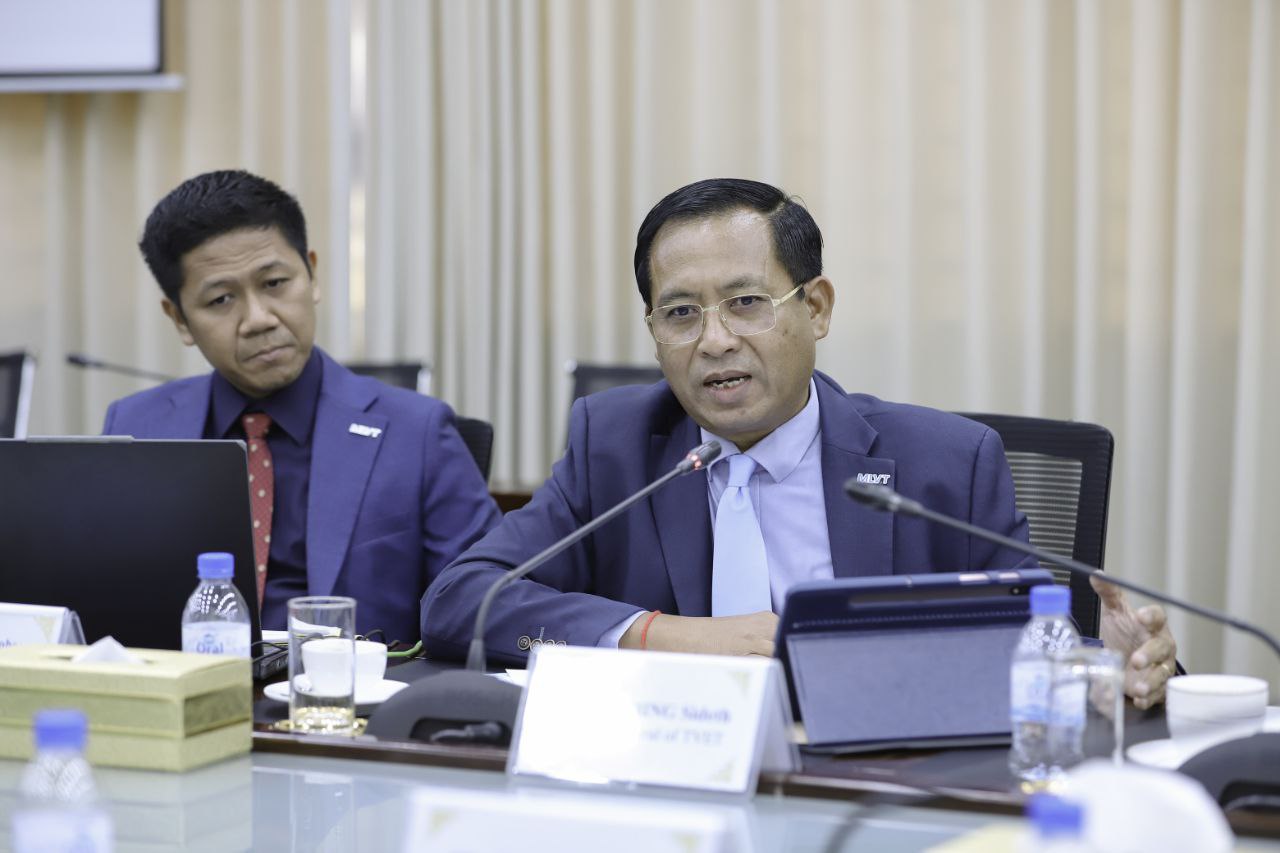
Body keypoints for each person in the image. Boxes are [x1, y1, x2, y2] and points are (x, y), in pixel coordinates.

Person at [422, 177, 1177, 706]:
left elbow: (1033, 640)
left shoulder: (947, 464)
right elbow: (461, 601)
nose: (715, 340)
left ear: (816, 308)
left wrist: (1105, 667)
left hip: (874, 782)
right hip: (670, 778)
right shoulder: (617, 446)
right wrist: (661, 636)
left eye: (746, 302)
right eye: (680, 313)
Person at [104, 169, 500, 644]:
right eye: (222, 299)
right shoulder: (135, 427)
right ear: (180, 319)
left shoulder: (418, 433)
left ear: (311, 274)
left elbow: (485, 604)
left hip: (350, 687)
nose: (258, 319)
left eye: (274, 283)